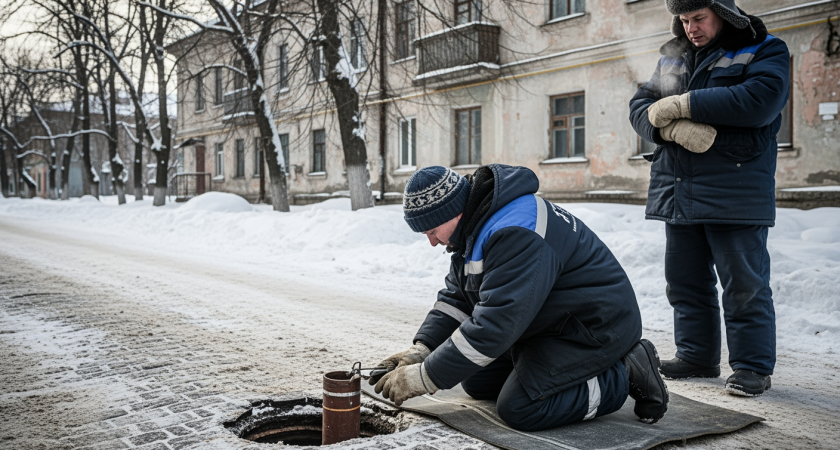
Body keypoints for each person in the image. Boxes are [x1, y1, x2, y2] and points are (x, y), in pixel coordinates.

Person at [369, 164, 669, 431]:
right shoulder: (476, 225)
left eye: (432, 230)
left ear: (453, 211)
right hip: (552, 322)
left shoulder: (515, 232)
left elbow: (496, 324)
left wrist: (423, 377)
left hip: (593, 328)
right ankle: (544, 376)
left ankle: (624, 372)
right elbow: (459, 298)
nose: (432, 242)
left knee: (522, 408)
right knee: (477, 381)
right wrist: (423, 349)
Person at [629, 0, 790, 397]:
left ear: (723, 12)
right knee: (685, 283)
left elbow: (760, 100)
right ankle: (697, 355)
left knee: (744, 285)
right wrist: (670, 132)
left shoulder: (764, 48)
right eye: (684, 21)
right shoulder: (673, 57)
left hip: (734, 188)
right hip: (678, 187)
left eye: (699, 18)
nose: (690, 29)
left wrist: (684, 105)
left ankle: (752, 367)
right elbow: (640, 109)